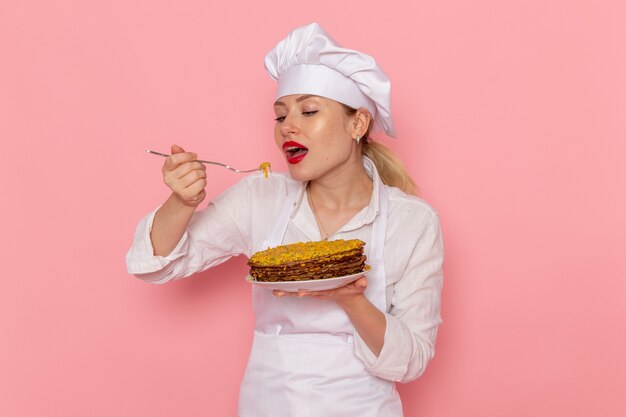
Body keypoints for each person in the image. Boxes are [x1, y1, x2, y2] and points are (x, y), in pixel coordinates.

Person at [126, 22, 444, 417]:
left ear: (357, 124)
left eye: (308, 111)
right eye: (280, 116)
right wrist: (182, 201)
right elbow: (154, 265)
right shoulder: (261, 198)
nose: (287, 127)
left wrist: (349, 298)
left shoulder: (413, 222)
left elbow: (411, 359)